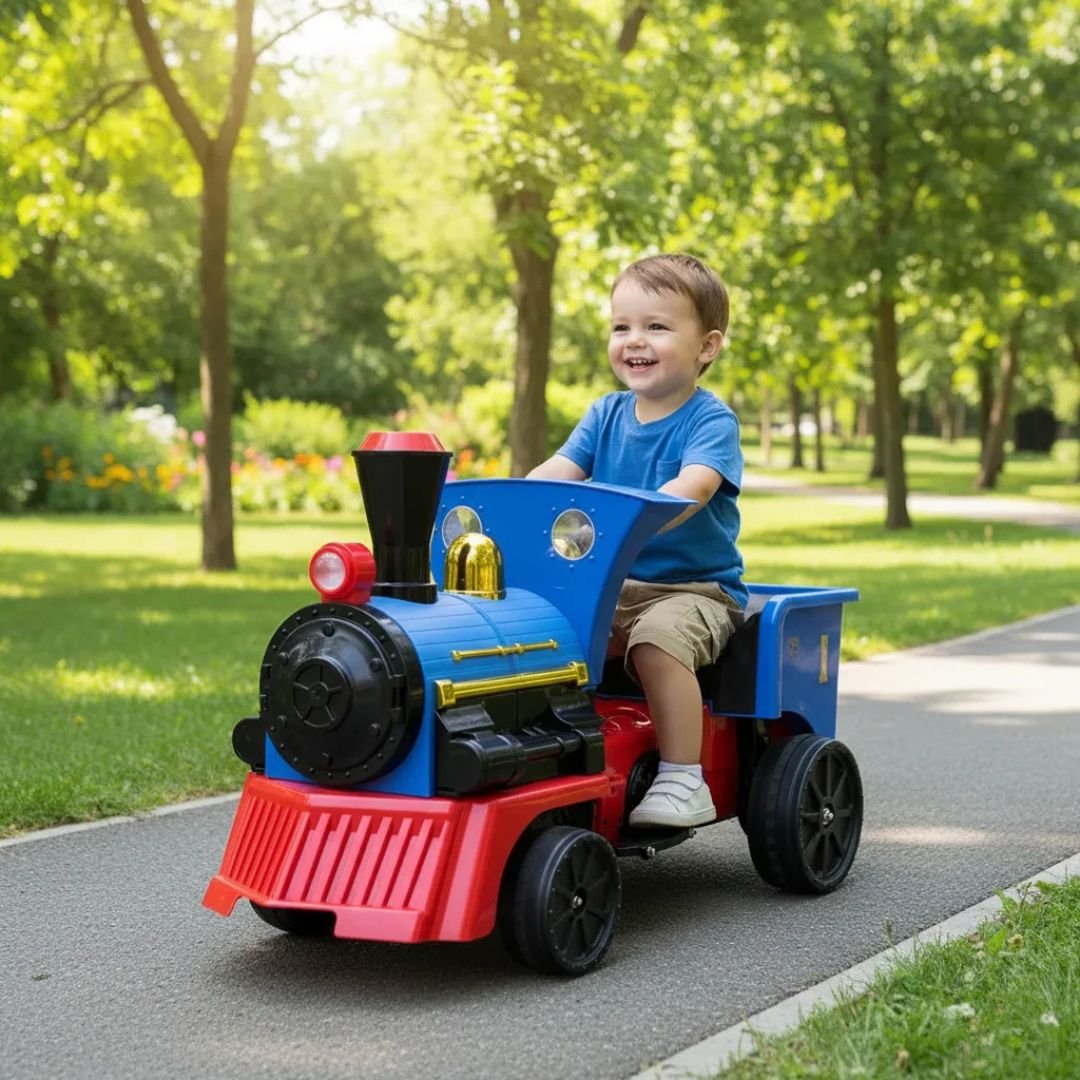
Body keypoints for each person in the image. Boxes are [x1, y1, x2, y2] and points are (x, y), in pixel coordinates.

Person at [528, 253, 746, 829]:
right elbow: (559, 469)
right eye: (621, 327)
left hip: (694, 590)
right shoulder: (606, 413)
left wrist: (636, 516)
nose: (634, 340)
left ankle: (682, 775)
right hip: (615, 583)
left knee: (655, 641)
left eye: (656, 326)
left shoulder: (710, 421)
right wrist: (518, 497)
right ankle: (557, 751)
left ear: (707, 346)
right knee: (542, 633)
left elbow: (692, 487)